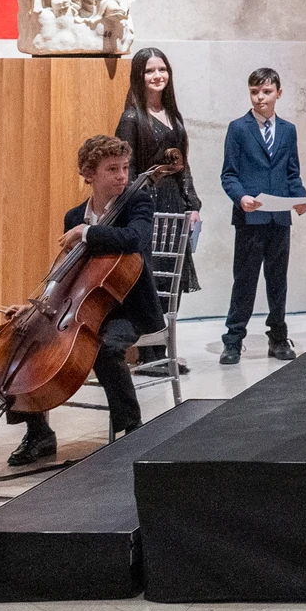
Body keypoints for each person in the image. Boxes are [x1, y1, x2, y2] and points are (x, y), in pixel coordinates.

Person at [4, 136, 163, 466]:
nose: (122, 176)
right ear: (89, 174)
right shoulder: (75, 215)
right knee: (20, 340)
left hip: (129, 307)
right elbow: (67, 273)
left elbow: (135, 239)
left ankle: (131, 428)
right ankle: (39, 433)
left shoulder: (138, 202)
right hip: (81, 307)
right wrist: (35, 307)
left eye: (124, 168)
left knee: (105, 348)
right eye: (112, 170)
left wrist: (87, 233)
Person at [115, 46, 200, 372]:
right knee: (148, 281)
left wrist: (192, 205)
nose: (157, 76)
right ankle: (149, 356)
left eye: (162, 69)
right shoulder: (132, 117)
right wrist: (139, 208)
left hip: (174, 207)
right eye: (150, 71)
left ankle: (164, 352)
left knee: (170, 281)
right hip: (147, 208)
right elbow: (127, 170)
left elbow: (184, 166)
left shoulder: (173, 115)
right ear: (139, 76)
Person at [219, 68, 306, 365]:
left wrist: (299, 199)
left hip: (279, 218)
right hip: (250, 218)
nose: (261, 98)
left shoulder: (287, 130)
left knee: (277, 280)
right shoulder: (238, 128)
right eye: (255, 92)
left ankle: (278, 336)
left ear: (278, 93)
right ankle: (233, 340)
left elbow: (291, 172)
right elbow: (229, 174)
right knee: (244, 280)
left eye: (267, 92)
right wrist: (240, 196)